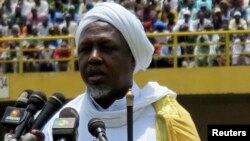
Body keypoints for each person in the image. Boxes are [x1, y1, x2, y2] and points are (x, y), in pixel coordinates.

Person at [42, 2, 200, 141]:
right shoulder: (58, 123)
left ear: (132, 58)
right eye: (85, 49)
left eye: (106, 48)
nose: (94, 57)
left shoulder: (169, 121)